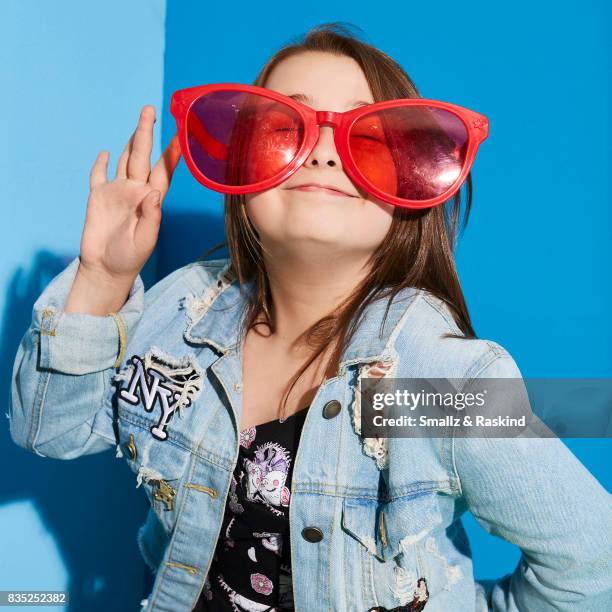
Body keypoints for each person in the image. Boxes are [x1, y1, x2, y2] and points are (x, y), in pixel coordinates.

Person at [9, 22, 612, 612]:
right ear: (242, 174)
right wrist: (104, 280)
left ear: (410, 192)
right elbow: (50, 430)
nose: (324, 152)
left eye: (369, 139)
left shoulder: (441, 382)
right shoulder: (184, 314)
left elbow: (593, 565)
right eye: (283, 129)